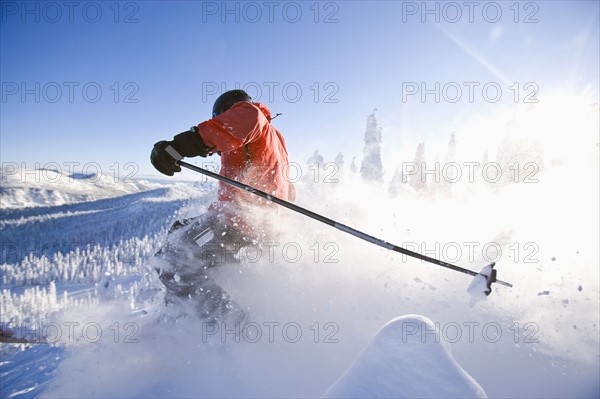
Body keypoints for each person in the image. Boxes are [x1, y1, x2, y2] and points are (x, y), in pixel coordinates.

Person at [150, 90, 295, 323]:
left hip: (241, 223)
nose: (217, 152)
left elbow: (231, 127)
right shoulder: (274, 138)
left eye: (220, 117)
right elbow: (286, 186)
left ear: (228, 110)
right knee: (180, 231)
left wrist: (178, 147)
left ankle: (229, 325)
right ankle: (188, 311)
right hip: (258, 224)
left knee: (173, 260)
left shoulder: (249, 114)